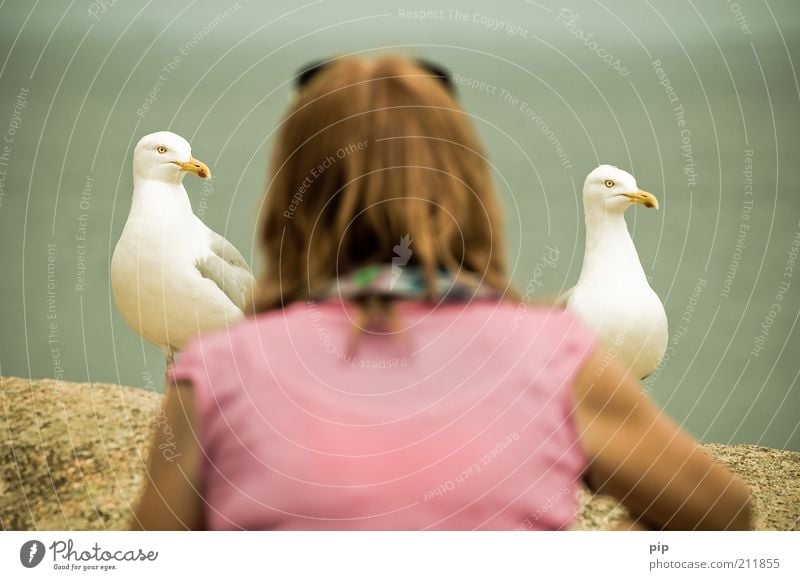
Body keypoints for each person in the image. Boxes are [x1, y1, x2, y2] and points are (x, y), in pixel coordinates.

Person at [130, 55, 751, 531]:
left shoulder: (215, 372)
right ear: (462, 187)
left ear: (299, 193)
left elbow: (147, 557)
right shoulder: (557, 358)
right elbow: (725, 514)